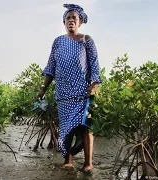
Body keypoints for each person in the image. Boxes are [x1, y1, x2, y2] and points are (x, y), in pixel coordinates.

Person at [37, 4, 102, 174]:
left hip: (84, 93)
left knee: (86, 127)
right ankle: (68, 160)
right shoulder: (58, 42)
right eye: (68, 18)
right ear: (64, 22)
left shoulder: (86, 40)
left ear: (80, 22)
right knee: (66, 129)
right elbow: (51, 66)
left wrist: (94, 84)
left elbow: (94, 65)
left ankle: (88, 163)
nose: (71, 20)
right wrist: (43, 88)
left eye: (74, 18)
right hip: (63, 94)